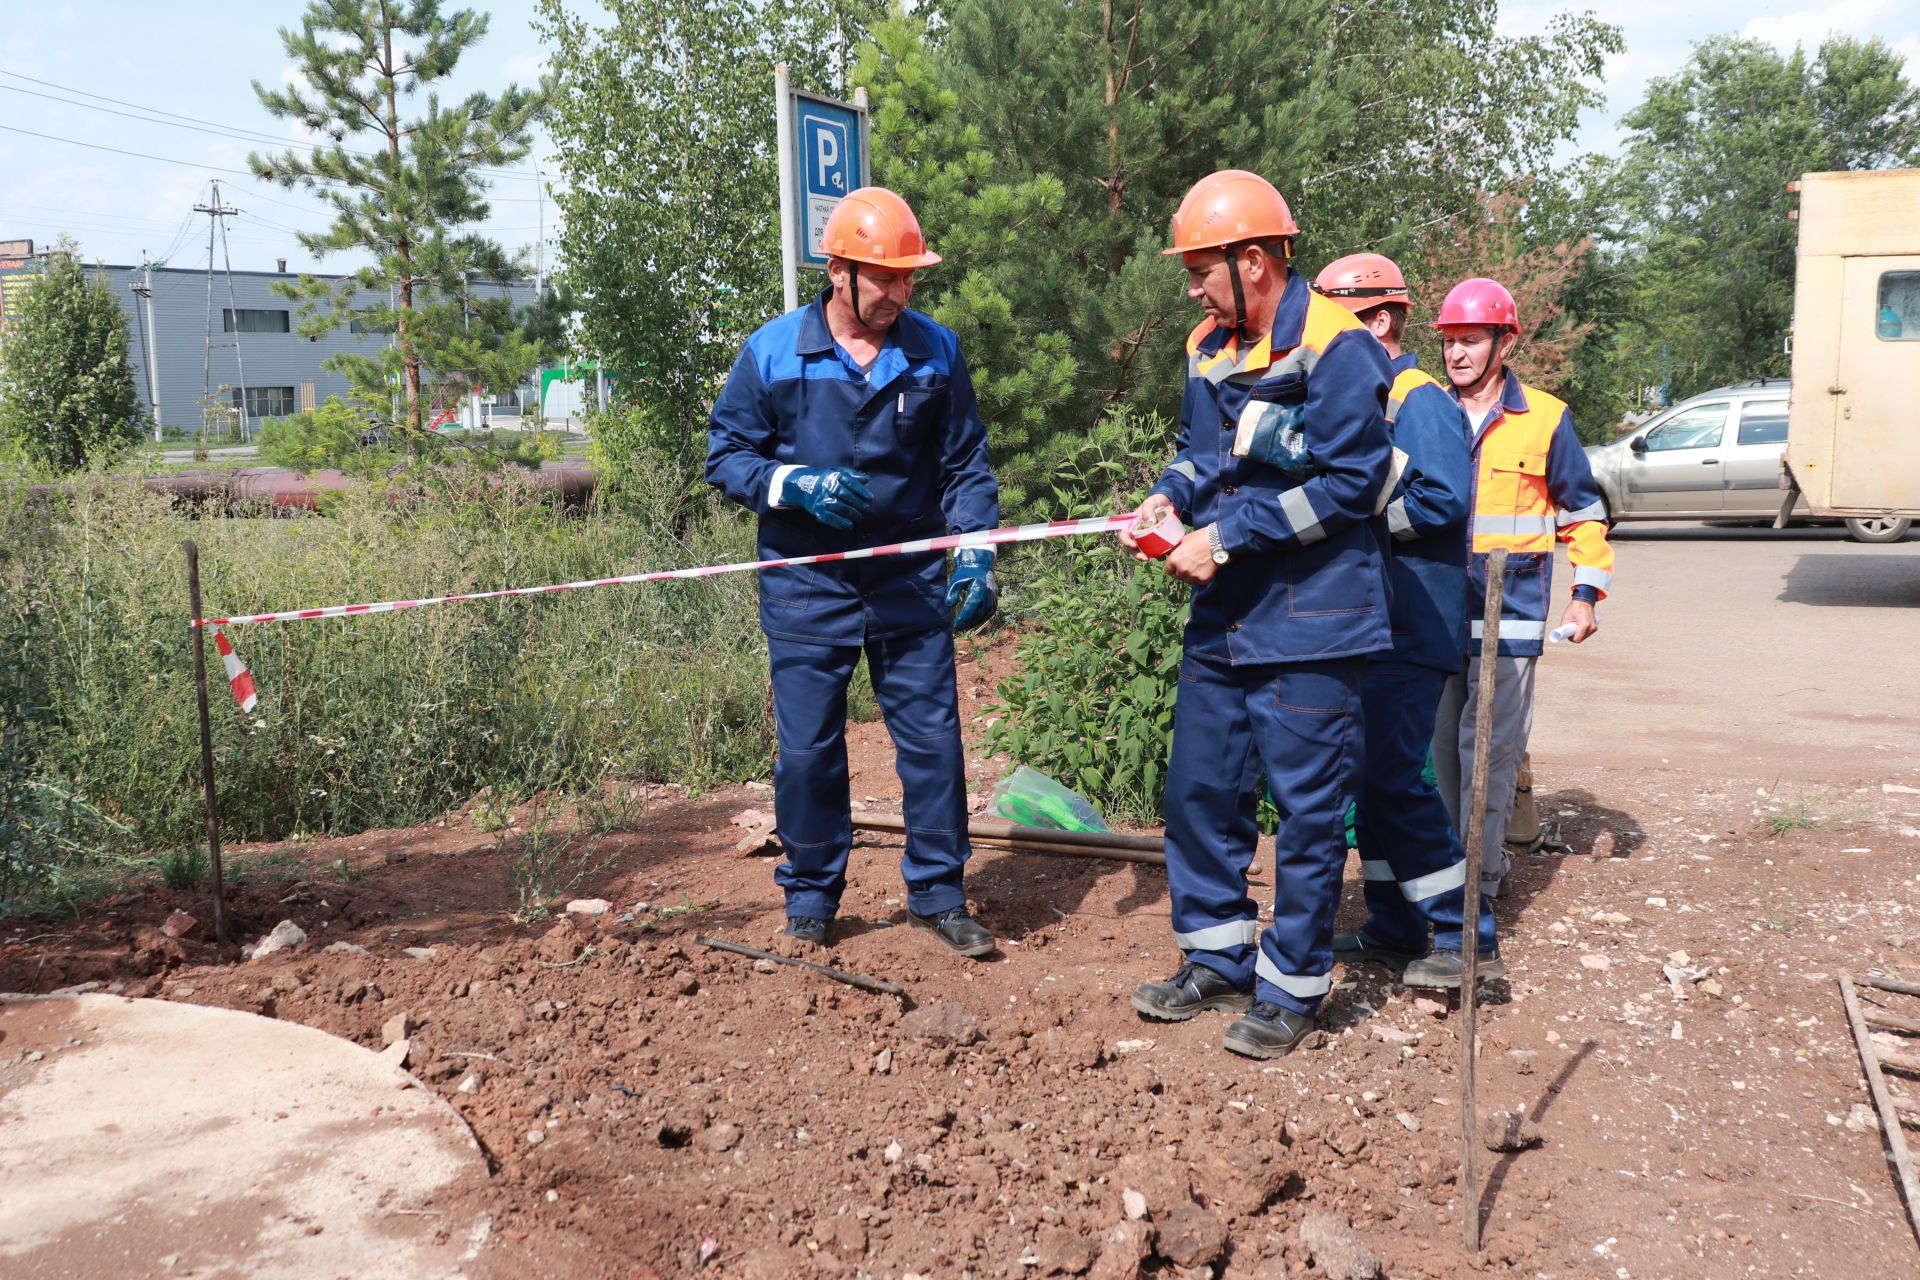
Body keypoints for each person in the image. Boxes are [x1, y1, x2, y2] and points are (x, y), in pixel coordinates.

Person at [1119, 170, 1394, 1058]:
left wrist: (1230, 534)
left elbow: (1352, 486)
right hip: (1226, 617)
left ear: (1254, 261)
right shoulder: (1210, 344)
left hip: (1313, 619)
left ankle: (1292, 986)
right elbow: (1201, 455)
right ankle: (1217, 956)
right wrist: (1166, 502)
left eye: (1203, 269)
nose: (1194, 287)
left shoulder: (1338, 346)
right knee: (1199, 791)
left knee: (1308, 812)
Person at [706, 187, 1001, 958]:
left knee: (934, 742)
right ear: (839, 271)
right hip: (807, 580)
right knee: (808, 749)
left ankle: (938, 894)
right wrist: (789, 484)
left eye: (910, 279)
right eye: (887, 278)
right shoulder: (773, 351)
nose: (902, 293)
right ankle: (811, 897)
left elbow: (965, 461)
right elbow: (726, 455)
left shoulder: (935, 350)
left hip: (908, 576)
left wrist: (975, 546)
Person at [1312, 253, 1500, 989]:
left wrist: (1350, 516)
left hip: (1413, 624)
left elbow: (1442, 501)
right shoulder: (1371, 395)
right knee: (1371, 781)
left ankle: (1467, 937)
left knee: (1396, 779)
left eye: (1334, 320)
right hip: (1375, 622)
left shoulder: (1415, 398)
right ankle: (1394, 924)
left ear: (1379, 320)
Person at [1428, 277, 1613, 910]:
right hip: (1435, 612)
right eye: (1450, 341)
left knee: (1489, 751)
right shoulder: (1427, 413)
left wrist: (1585, 593)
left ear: (1505, 341)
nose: (1457, 354)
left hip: (1509, 615)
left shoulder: (1545, 418)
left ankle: (1477, 880)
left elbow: (1584, 511)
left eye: (1472, 340)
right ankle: (1455, 869)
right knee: (1444, 756)